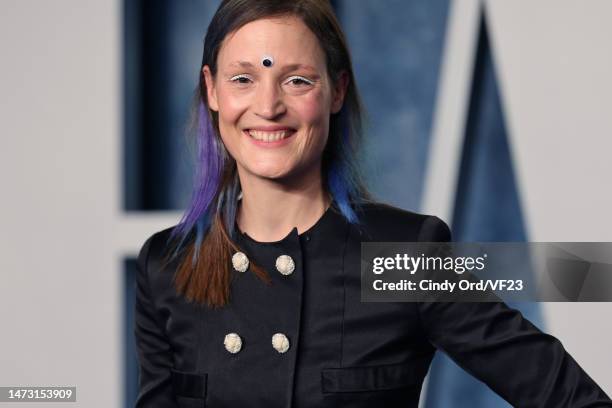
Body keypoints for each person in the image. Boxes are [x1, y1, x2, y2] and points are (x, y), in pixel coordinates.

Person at [134, 0, 611, 406]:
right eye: (243, 79)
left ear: (336, 91)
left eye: (296, 80)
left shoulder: (402, 257)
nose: (268, 106)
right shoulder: (168, 267)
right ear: (211, 90)